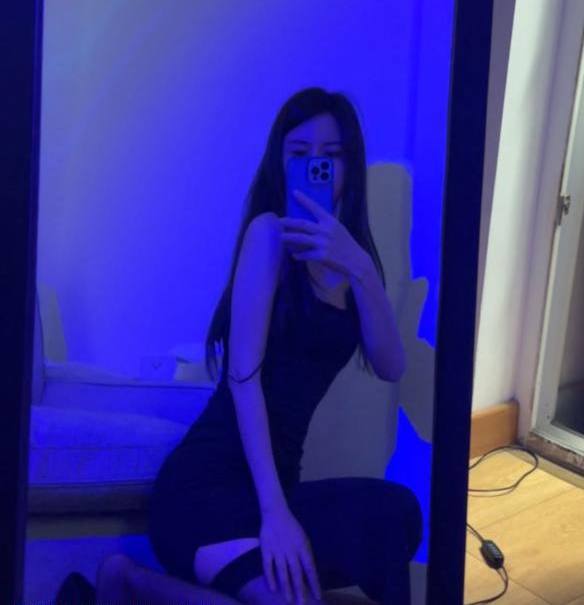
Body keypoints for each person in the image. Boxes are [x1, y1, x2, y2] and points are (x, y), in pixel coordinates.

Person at [90, 87, 422, 605]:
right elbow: (243, 379)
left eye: (331, 155)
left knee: (399, 514)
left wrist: (359, 266)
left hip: (279, 484)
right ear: (279, 163)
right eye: (299, 153)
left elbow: (391, 364)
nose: (316, 165)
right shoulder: (268, 235)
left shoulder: (352, 260)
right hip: (208, 487)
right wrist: (276, 514)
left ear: (350, 168)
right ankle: (131, 580)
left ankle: (146, 582)